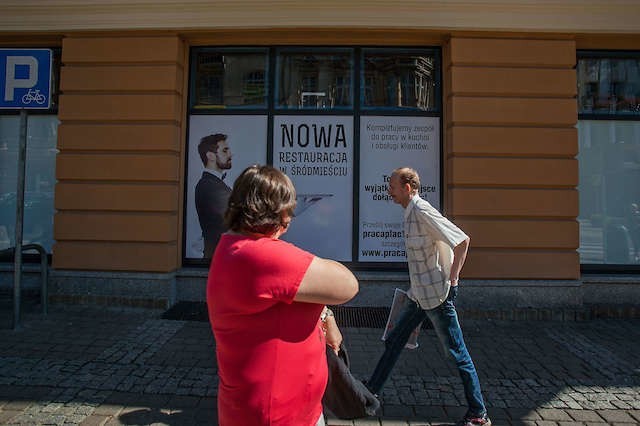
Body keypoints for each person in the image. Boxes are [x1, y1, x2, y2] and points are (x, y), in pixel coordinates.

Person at [207, 164, 359, 426]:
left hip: (283, 410)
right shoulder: (259, 255)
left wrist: (326, 315)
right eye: (287, 210)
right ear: (273, 212)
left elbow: (288, 294)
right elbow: (347, 285)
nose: (289, 221)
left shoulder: (236, 248)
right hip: (276, 416)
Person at [366, 167, 491, 426]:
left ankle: (478, 414)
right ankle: (370, 393)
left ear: (407, 188)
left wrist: (453, 280)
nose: (389, 190)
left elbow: (462, 241)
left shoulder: (422, 211)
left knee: (457, 353)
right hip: (419, 295)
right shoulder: (409, 213)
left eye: (392, 186)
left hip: (437, 296)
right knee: (394, 341)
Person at [195, 133, 233, 259]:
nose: (230, 155)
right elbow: (235, 218)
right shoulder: (209, 186)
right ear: (210, 156)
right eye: (225, 151)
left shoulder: (215, 183)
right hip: (218, 257)